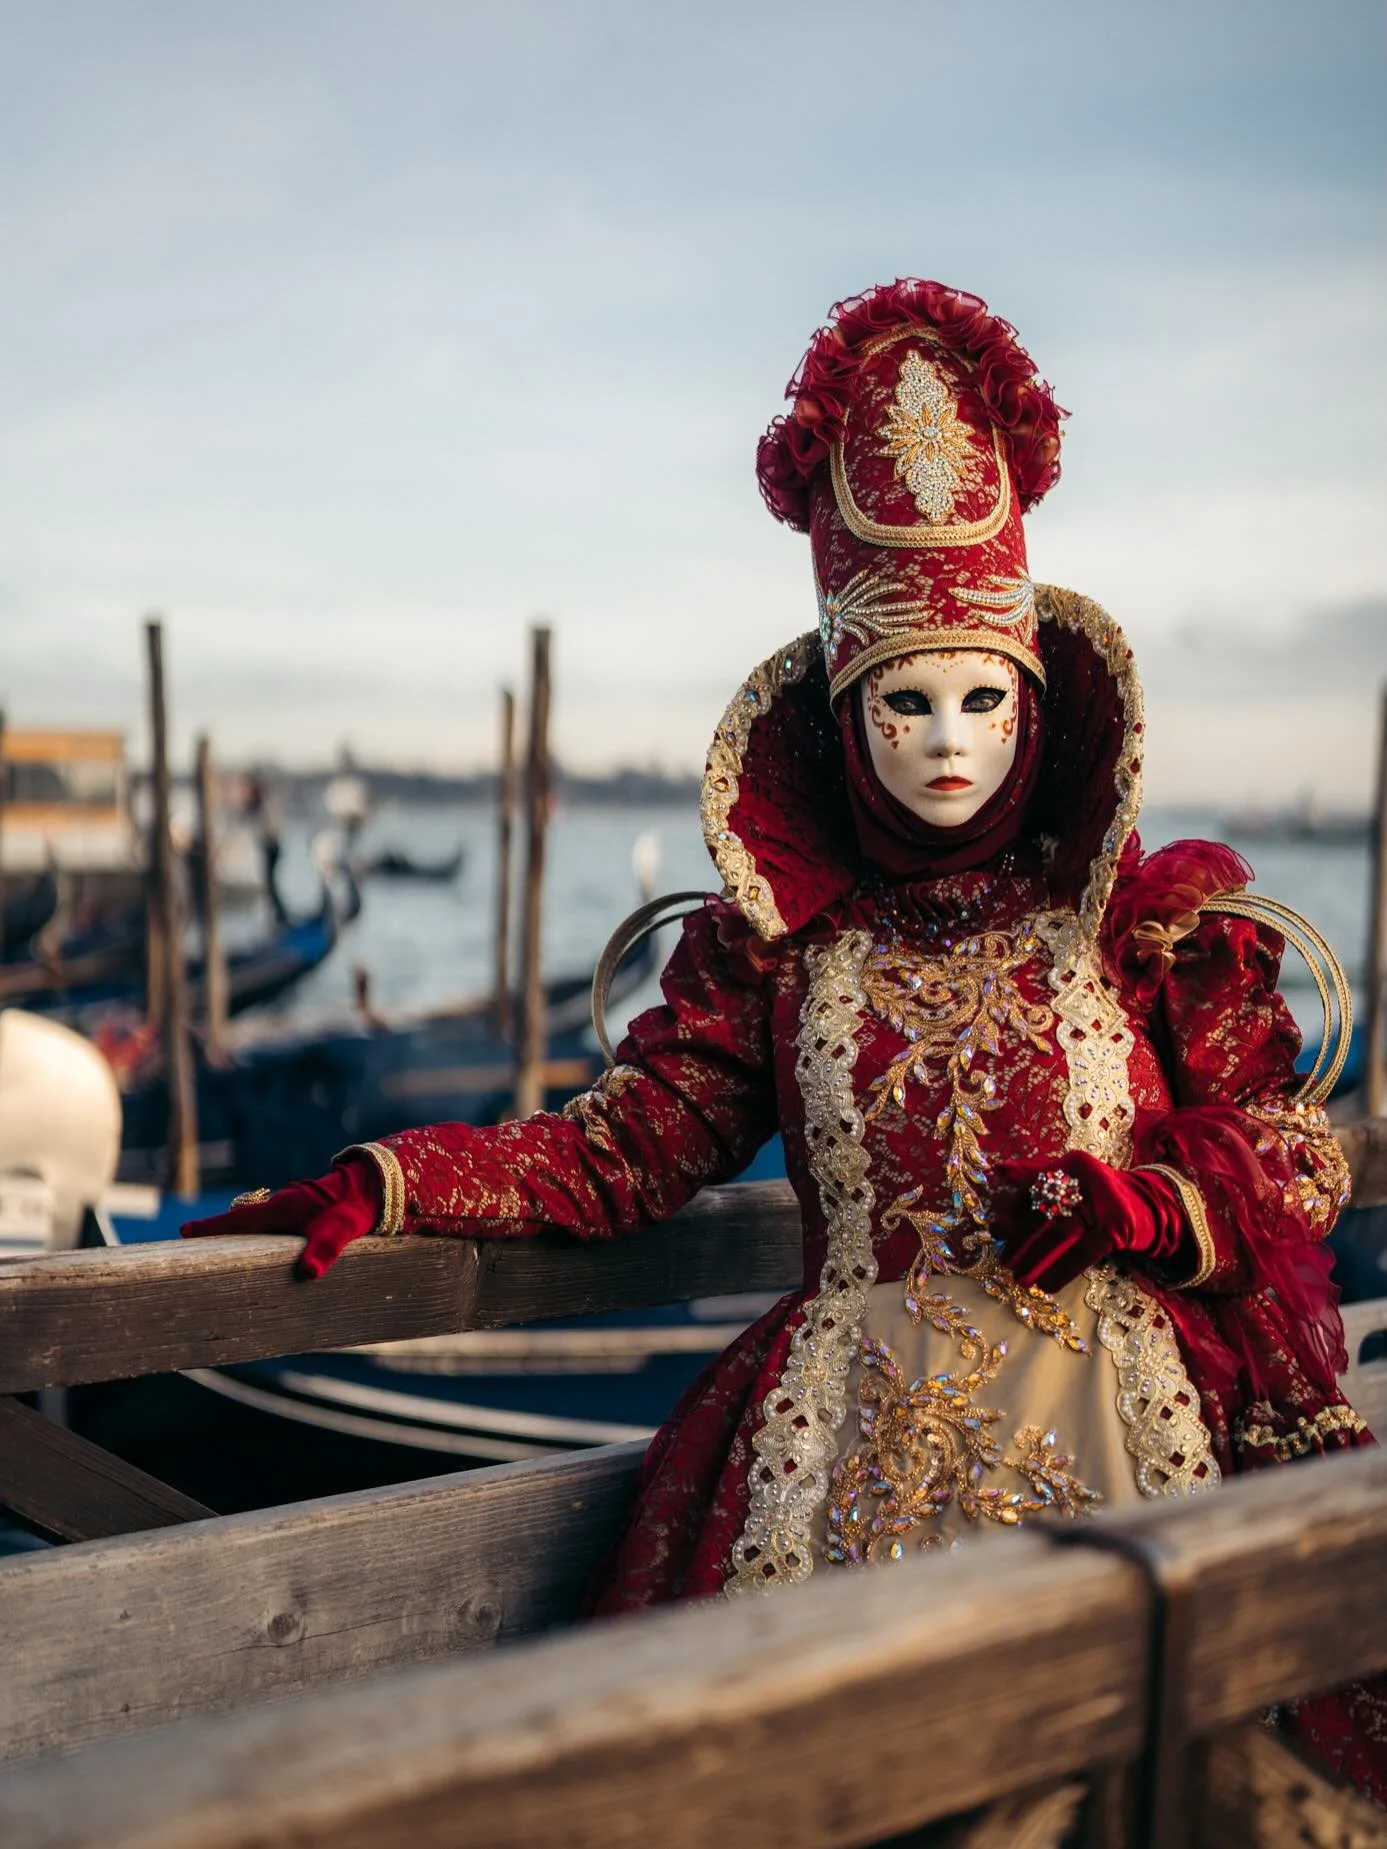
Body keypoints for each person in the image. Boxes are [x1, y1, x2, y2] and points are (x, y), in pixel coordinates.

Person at [185, 279, 1379, 1794]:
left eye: (975, 702)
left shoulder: (1139, 932)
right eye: (903, 707)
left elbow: (1294, 1154)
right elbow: (623, 1149)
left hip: (1126, 1429)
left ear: (1033, 706)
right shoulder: (779, 951)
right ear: (843, 718)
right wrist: (396, 1182)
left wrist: (1158, 1208)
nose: (945, 742)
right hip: (835, 1453)